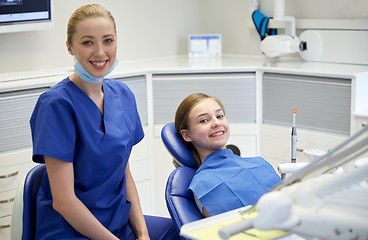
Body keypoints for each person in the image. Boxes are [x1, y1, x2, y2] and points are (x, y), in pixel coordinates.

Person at [30, 4, 179, 240]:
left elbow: (124, 174)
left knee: (181, 232)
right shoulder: (56, 105)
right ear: (70, 47)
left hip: (117, 221)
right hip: (70, 229)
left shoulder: (123, 95)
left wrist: (142, 233)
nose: (100, 52)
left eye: (108, 40)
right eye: (87, 42)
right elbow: (64, 202)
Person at [175, 93, 281, 218]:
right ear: (187, 135)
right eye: (204, 120)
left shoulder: (259, 163)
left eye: (219, 116)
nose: (216, 123)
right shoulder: (204, 186)